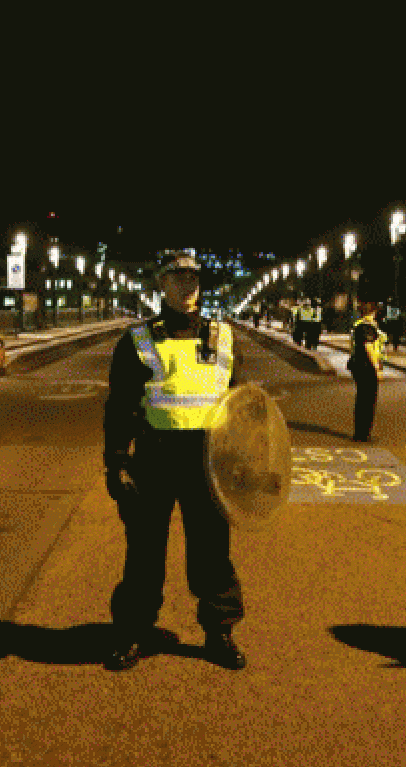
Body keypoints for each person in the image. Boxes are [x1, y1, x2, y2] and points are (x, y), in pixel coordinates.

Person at [101, 252, 247, 672]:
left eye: (194, 278)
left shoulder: (224, 338)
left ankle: (220, 632)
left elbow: (239, 407)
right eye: (179, 277)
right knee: (144, 552)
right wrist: (116, 461)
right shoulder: (138, 340)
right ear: (161, 284)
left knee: (213, 552)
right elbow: (120, 407)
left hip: (207, 460)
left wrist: (241, 461)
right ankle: (132, 630)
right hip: (155, 458)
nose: (188, 285)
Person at [348, 302, 386, 442]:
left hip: (359, 365)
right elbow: (369, 347)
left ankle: (361, 432)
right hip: (366, 367)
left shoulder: (359, 325)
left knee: (362, 399)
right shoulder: (367, 327)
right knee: (368, 400)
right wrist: (377, 368)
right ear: (372, 313)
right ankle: (363, 434)